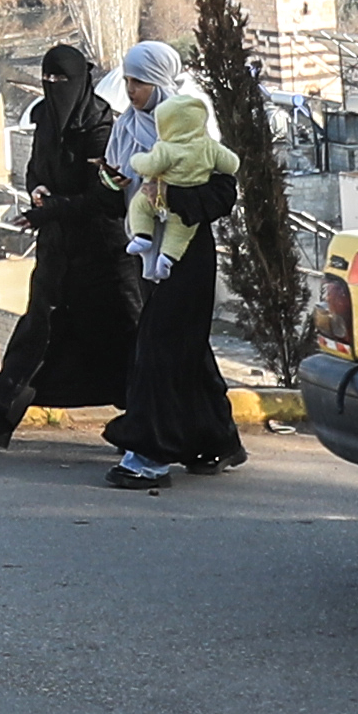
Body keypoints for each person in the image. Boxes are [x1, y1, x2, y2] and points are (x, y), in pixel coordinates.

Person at [0, 41, 126, 445]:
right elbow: (36, 167)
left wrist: (50, 208)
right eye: (47, 79)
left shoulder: (101, 128)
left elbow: (104, 200)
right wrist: (36, 189)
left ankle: (144, 420)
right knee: (36, 329)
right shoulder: (46, 121)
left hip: (102, 257)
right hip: (57, 248)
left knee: (121, 337)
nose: (54, 86)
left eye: (61, 79)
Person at [100, 35, 244, 490]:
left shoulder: (189, 130)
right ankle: (215, 440)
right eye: (126, 81)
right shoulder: (127, 127)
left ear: (160, 83)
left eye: (139, 82)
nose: (131, 91)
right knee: (187, 352)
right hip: (146, 256)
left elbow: (224, 193)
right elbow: (112, 185)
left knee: (157, 352)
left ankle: (148, 455)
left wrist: (166, 194)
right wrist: (112, 179)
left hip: (185, 256)